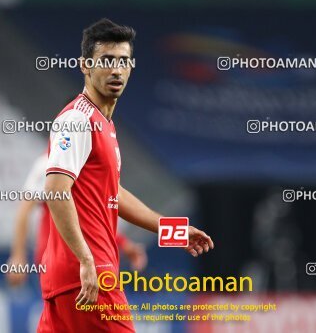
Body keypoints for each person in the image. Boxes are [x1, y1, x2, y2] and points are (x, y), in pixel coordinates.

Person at [37, 18, 214, 333]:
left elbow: (112, 193)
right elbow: (55, 190)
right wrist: (86, 260)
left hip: (69, 279)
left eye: (123, 61)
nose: (116, 70)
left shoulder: (103, 124)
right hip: (91, 276)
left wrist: (173, 229)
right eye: (106, 61)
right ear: (85, 66)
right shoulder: (78, 119)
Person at [6, 153, 148, 287]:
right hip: (63, 260)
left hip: (87, 260)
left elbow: (90, 218)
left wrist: (124, 244)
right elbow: (24, 209)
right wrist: (18, 256)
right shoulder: (50, 162)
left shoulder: (89, 163)